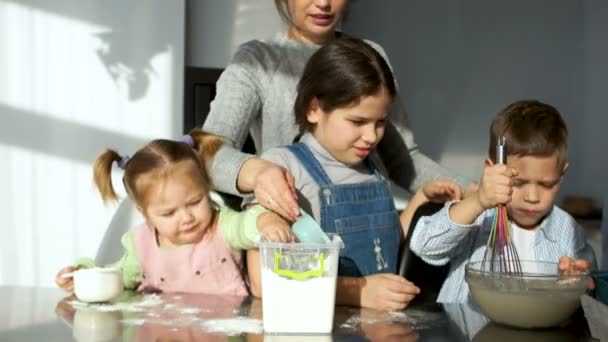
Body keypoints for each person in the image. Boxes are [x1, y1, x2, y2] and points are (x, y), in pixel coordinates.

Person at [202, 0, 469, 222]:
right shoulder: (258, 61)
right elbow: (205, 153)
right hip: (295, 234)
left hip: (370, 224)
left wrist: (475, 193)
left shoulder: (370, 55)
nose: (323, 3)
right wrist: (259, 173)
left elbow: (404, 162)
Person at [245, 37, 461, 311]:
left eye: (380, 122)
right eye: (357, 121)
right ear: (314, 109)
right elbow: (264, 282)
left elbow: (386, 242)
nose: (371, 137)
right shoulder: (282, 168)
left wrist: (420, 201)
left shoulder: (372, 167)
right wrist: (357, 291)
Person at [55, 130, 293, 296]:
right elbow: (116, 276)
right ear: (145, 213)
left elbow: (246, 224)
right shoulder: (141, 246)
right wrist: (83, 275)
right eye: (168, 213)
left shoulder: (222, 227)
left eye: (195, 201)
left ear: (206, 187)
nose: (186, 217)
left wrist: (267, 220)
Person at [410, 99, 596, 303]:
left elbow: (587, 284)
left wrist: (576, 281)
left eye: (546, 185)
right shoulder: (478, 217)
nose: (532, 198)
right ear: (492, 170)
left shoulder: (568, 231)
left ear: (561, 175)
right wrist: (477, 201)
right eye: (517, 183)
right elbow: (425, 245)